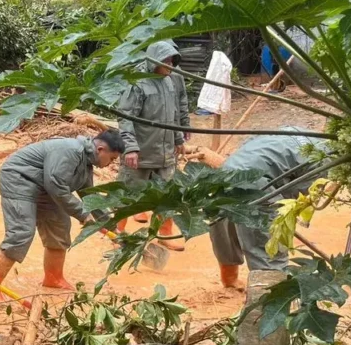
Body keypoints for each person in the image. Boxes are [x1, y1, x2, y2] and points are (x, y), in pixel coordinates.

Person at [0, 130, 125, 300]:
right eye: (112, 159)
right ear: (100, 149)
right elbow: (56, 186)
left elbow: (89, 197)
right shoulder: (70, 151)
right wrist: (82, 214)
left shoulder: (86, 164)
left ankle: (53, 278)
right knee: (22, 232)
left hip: (43, 187)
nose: (110, 164)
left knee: (60, 226)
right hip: (19, 180)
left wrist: (113, 229)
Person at [207, 128, 324, 290]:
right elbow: (294, 199)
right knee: (267, 249)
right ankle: (266, 297)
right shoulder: (323, 159)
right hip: (257, 183)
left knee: (225, 226)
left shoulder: (292, 130)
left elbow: (248, 145)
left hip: (227, 170)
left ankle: (230, 281)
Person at [115, 40, 186, 250]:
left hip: (165, 153)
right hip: (141, 153)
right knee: (127, 195)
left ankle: (165, 235)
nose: (170, 65)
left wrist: (178, 138)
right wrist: (130, 147)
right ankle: (117, 234)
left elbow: (173, 114)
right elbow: (125, 117)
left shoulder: (170, 82)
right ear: (154, 61)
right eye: (166, 61)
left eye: (172, 60)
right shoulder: (137, 84)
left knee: (166, 197)